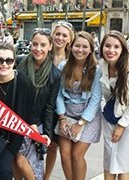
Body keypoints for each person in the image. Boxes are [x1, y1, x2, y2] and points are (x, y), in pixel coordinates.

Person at [0, 43, 50, 180]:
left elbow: (32, 114)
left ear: (14, 62)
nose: (4, 64)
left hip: (11, 139)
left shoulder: (23, 82)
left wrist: (37, 136)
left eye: (9, 60)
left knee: (5, 171)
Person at [14, 28, 61, 180]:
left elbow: (49, 106)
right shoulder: (19, 62)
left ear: (50, 46)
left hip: (36, 124)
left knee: (25, 163)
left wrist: (45, 134)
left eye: (43, 45)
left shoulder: (54, 73)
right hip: (14, 121)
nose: (38, 49)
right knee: (14, 162)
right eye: (35, 44)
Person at [56, 31, 102, 180]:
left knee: (76, 155)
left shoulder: (96, 69)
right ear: (71, 46)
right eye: (77, 46)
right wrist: (62, 118)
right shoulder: (63, 66)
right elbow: (58, 94)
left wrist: (81, 123)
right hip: (67, 116)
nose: (80, 50)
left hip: (88, 118)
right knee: (64, 154)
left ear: (90, 49)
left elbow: (95, 100)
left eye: (84, 47)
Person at [44, 21, 74, 180]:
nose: (60, 38)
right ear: (53, 35)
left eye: (64, 35)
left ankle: (46, 177)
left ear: (70, 39)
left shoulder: (72, 59)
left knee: (53, 147)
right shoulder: (43, 54)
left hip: (62, 109)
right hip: (43, 105)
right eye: (58, 34)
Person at [99, 30, 129, 180]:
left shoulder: (127, 69)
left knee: (123, 164)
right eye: (107, 46)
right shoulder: (102, 65)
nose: (111, 50)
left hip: (126, 121)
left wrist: (122, 125)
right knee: (109, 160)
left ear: (122, 49)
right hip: (110, 117)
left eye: (116, 47)